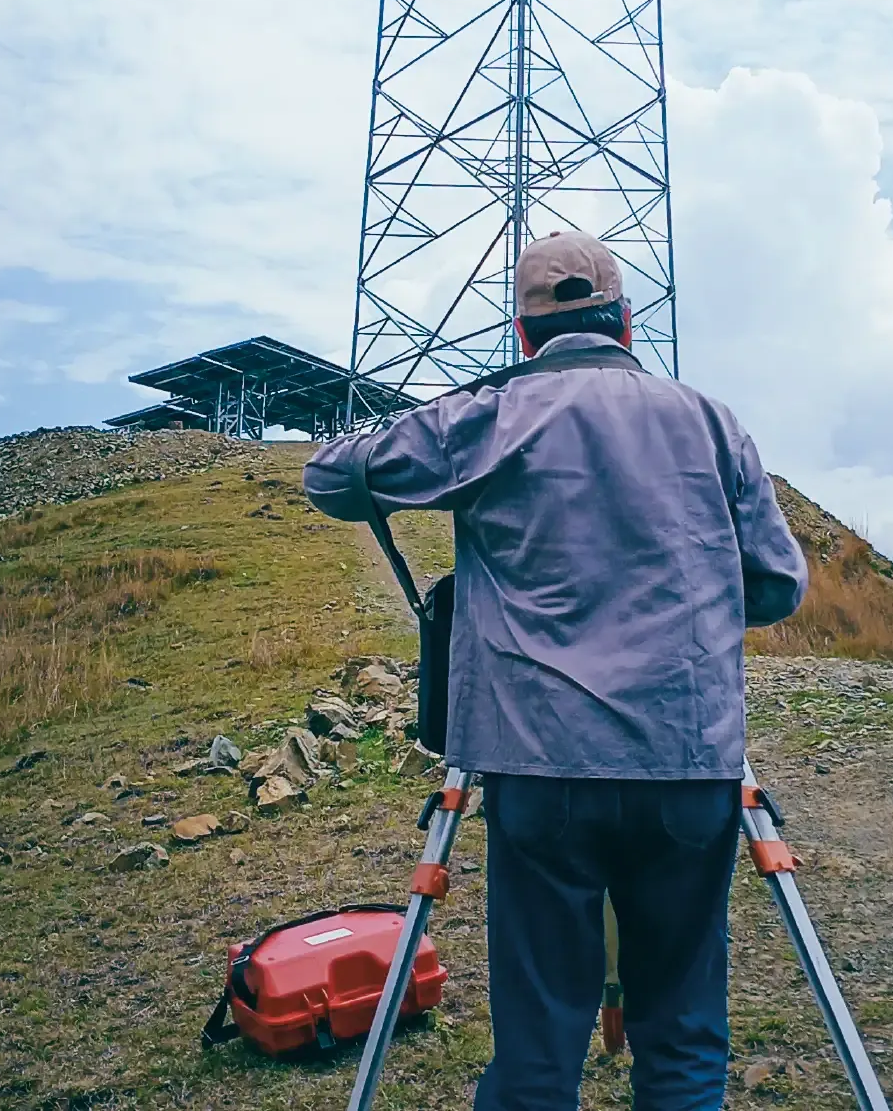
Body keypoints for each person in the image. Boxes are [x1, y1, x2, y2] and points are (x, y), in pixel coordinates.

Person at [304, 230, 809, 1111]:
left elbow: (330, 476)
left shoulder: (490, 415)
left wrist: (469, 405)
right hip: (683, 760)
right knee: (683, 1029)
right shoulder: (709, 420)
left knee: (538, 1040)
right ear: (626, 320)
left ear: (523, 334)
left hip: (540, 766)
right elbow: (773, 587)